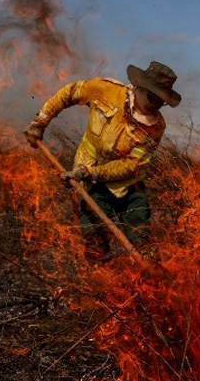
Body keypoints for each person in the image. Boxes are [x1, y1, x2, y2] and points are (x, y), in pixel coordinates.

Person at [23, 61, 182, 262]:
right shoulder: (105, 89)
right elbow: (69, 93)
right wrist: (40, 122)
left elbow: (131, 165)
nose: (155, 105)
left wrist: (92, 172)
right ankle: (101, 278)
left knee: (142, 235)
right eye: (152, 97)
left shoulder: (156, 127)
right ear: (139, 87)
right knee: (94, 241)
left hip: (127, 183)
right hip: (88, 180)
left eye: (161, 101)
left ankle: (147, 279)